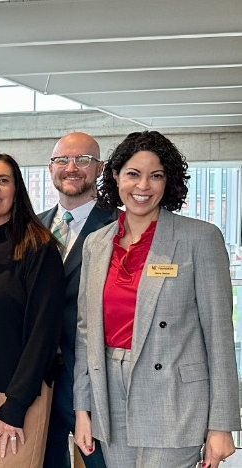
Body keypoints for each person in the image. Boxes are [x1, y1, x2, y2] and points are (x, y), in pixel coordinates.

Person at [73, 131, 240, 468]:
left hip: (175, 398)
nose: (143, 186)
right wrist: (82, 409)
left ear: (169, 182)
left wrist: (222, 425)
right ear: (116, 176)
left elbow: (219, 336)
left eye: (156, 176)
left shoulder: (200, 238)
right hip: (111, 396)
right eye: (134, 174)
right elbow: (86, 333)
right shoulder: (96, 243)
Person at [0, 153, 65, 468]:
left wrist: (15, 406)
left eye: (3, 180)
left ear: (17, 190)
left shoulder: (38, 249)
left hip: (13, 397)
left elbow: (43, 335)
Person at [38, 133, 114, 468]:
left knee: (102, 461)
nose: (72, 168)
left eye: (82, 160)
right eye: (62, 160)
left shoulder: (119, 226)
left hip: (95, 376)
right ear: (50, 167)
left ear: (99, 167)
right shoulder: (33, 227)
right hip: (37, 377)